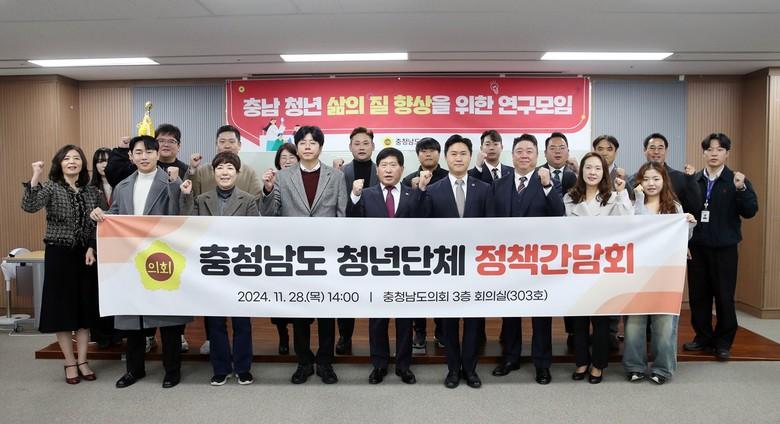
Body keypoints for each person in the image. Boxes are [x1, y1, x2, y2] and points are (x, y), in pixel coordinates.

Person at [90, 135, 192, 389]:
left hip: (164, 257)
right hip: (131, 260)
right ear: (131, 156)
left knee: (168, 318)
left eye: (148, 151)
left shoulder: (171, 181)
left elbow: (183, 213)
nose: (143, 156)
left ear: (158, 154)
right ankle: (134, 369)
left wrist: (177, 185)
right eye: (138, 152)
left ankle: (172, 370)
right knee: (132, 317)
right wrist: (102, 215)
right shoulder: (123, 185)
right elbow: (115, 216)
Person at [261, 125, 347, 384]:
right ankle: (304, 362)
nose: (307, 146)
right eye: (303, 142)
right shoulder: (283, 177)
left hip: (327, 254)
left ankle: (325, 362)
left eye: (313, 142)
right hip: (295, 255)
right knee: (299, 309)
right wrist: (267, 190)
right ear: (296, 147)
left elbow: (342, 214)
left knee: (326, 311)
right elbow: (271, 215)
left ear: (321, 147)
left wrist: (338, 249)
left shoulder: (336, 176)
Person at [22, 145, 105, 384]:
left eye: (76, 158)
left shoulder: (93, 191)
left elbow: (98, 224)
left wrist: (92, 247)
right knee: (63, 310)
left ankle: (83, 360)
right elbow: (29, 206)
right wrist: (36, 175)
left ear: (83, 164)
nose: (72, 161)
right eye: (66, 158)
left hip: (86, 254)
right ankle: (69, 362)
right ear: (59, 163)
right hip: (59, 254)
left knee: (84, 309)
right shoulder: (51, 187)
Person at [489, 134, 565, 385]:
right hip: (508, 260)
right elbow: (490, 222)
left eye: (529, 151)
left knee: (541, 314)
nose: (524, 155)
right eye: (519, 151)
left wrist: (547, 186)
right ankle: (510, 358)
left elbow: (559, 214)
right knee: (510, 311)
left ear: (537, 155)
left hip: (538, 261)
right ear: (512, 156)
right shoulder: (499, 184)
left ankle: (542, 364)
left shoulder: (549, 182)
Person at [181, 152, 258, 386]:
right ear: (213, 173)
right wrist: (186, 197)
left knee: (241, 322)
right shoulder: (201, 199)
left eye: (230, 168)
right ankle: (221, 368)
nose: (225, 172)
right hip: (212, 267)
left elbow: (256, 232)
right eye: (220, 168)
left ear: (237, 173)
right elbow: (188, 225)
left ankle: (243, 368)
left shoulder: (248, 200)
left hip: (240, 268)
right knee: (215, 322)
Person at [421, 135, 491, 389]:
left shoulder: (484, 189)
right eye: (453, 153)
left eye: (463, 153)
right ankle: (452, 369)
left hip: (475, 266)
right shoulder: (433, 190)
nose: (458, 158)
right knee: (448, 322)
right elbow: (423, 229)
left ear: (470, 157)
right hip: (446, 266)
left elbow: (493, 229)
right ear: (446, 157)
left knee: (473, 321)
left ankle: (470, 369)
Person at [348, 147, 423, 385]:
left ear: (402, 169)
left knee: (404, 319)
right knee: (378, 319)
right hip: (377, 267)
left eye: (393, 165)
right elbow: (352, 224)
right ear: (377, 169)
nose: (388, 170)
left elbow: (424, 225)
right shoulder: (366, 195)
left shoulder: (413, 195)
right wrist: (354, 196)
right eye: (383, 165)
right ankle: (379, 364)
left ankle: (403, 365)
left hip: (406, 267)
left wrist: (422, 191)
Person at [684, 133, 758, 361]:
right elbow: (683, 213)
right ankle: (703, 337)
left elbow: (750, 211)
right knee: (698, 296)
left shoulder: (736, 180)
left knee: (724, 297)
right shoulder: (695, 180)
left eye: (719, 149)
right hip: (697, 248)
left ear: (727, 153)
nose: (714, 153)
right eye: (710, 149)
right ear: (703, 153)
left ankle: (723, 342)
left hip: (725, 249)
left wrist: (742, 189)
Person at [623, 162, 697, 385]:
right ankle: (635, 366)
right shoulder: (631, 205)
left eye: (656, 179)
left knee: (664, 323)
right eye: (646, 179)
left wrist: (689, 226)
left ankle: (662, 368)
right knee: (634, 323)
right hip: (636, 272)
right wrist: (638, 200)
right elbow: (636, 228)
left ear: (664, 181)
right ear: (639, 182)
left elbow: (682, 238)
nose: (651, 184)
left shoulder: (674, 207)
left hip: (666, 273)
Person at [563, 152, 633, 384]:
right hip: (576, 266)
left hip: (603, 268)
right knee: (579, 320)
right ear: (581, 171)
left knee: (601, 321)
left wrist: (622, 192)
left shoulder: (613, 196)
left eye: (597, 168)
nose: (592, 172)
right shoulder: (570, 197)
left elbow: (627, 221)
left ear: (604, 172)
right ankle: (581, 361)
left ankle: (598, 365)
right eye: (588, 167)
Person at [333, 126, 378, 355]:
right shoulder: (341, 172)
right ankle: (345, 336)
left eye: (365, 143)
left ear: (373, 146)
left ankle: (376, 340)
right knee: (347, 291)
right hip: (348, 241)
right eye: (357, 143)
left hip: (377, 242)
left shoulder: (382, 169)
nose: (361, 147)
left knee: (375, 292)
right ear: (350, 147)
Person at [401, 137, 449, 350]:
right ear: (418, 154)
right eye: (423, 151)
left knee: (440, 290)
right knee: (418, 290)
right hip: (416, 243)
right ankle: (419, 332)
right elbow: (405, 209)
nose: (428, 154)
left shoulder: (448, 177)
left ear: (439, 154)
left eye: (432, 150)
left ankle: (441, 331)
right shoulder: (408, 179)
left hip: (442, 243)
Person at [541, 132, 578, 348]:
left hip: (571, 243)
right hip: (544, 243)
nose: (557, 151)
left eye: (561, 147)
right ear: (545, 152)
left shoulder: (575, 176)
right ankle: (543, 340)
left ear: (568, 152)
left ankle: (573, 332)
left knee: (570, 289)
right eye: (553, 148)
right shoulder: (537, 174)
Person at [88, 147, 121, 349]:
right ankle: (100, 335)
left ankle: (118, 333)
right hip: (97, 246)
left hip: (119, 247)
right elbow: (87, 221)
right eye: (99, 161)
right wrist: (91, 245)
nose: (104, 165)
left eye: (108, 160)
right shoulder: (89, 188)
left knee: (117, 289)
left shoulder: (123, 185)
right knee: (98, 292)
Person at [268, 143, 299, 355]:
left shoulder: (303, 179)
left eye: (291, 157)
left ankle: (299, 338)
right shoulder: (273, 179)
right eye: (283, 158)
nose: (287, 161)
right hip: (279, 247)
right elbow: (268, 210)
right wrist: (268, 189)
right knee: (279, 296)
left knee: (298, 296)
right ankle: (283, 336)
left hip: (301, 247)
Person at [105, 124, 188, 188]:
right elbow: (114, 177)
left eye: (171, 141)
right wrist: (121, 150)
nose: (166, 144)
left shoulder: (186, 170)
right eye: (161, 140)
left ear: (179, 146)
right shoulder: (143, 165)